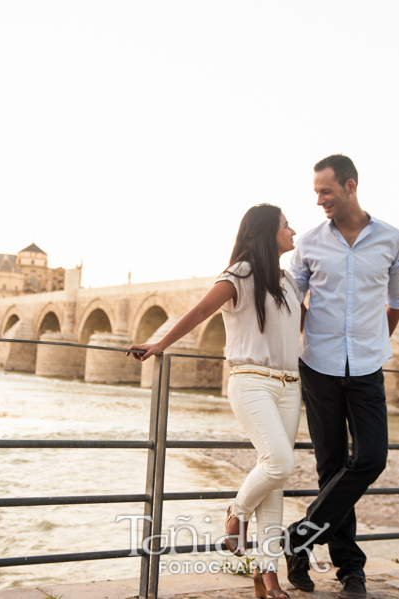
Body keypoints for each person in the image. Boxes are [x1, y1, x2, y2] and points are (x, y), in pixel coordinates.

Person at [129, 203, 301, 599]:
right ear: (264, 232)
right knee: (279, 462)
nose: (293, 231)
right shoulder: (240, 275)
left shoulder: (289, 281)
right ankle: (236, 513)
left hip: (290, 386)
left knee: (274, 481)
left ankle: (267, 572)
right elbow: (202, 310)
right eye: (286, 225)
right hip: (251, 381)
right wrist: (160, 344)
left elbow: (304, 325)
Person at [285, 155, 399, 599]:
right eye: (317, 193)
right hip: (317, 365)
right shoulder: (311, 244)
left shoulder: (394, 240)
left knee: (372, 457)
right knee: (331, 468)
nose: (320, 200)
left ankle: (297, 538)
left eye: (326, 191)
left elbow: (397, 301)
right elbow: (290, 300)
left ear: (350, 186)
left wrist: (373, 343)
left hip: (366, 367)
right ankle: (350, 571)